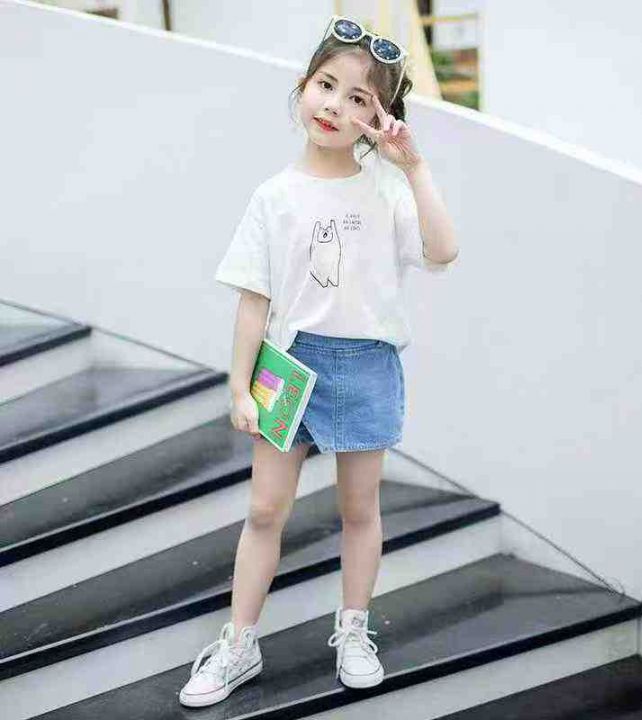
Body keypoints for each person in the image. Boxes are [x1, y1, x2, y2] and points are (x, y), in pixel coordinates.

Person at [179, 14, 459, 708]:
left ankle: (354, 630)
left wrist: (415, 167)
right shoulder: (274, 196)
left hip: (365, 365)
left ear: (381, 118)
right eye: (327, 85)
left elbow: (444, 251)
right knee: (264, 509)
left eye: (359, 98)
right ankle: (239, 644)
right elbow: (254, 300)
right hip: (287, 364)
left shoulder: (388, 188)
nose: (335, 105)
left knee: (359, 510)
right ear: (303, 85)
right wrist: (239, 386)